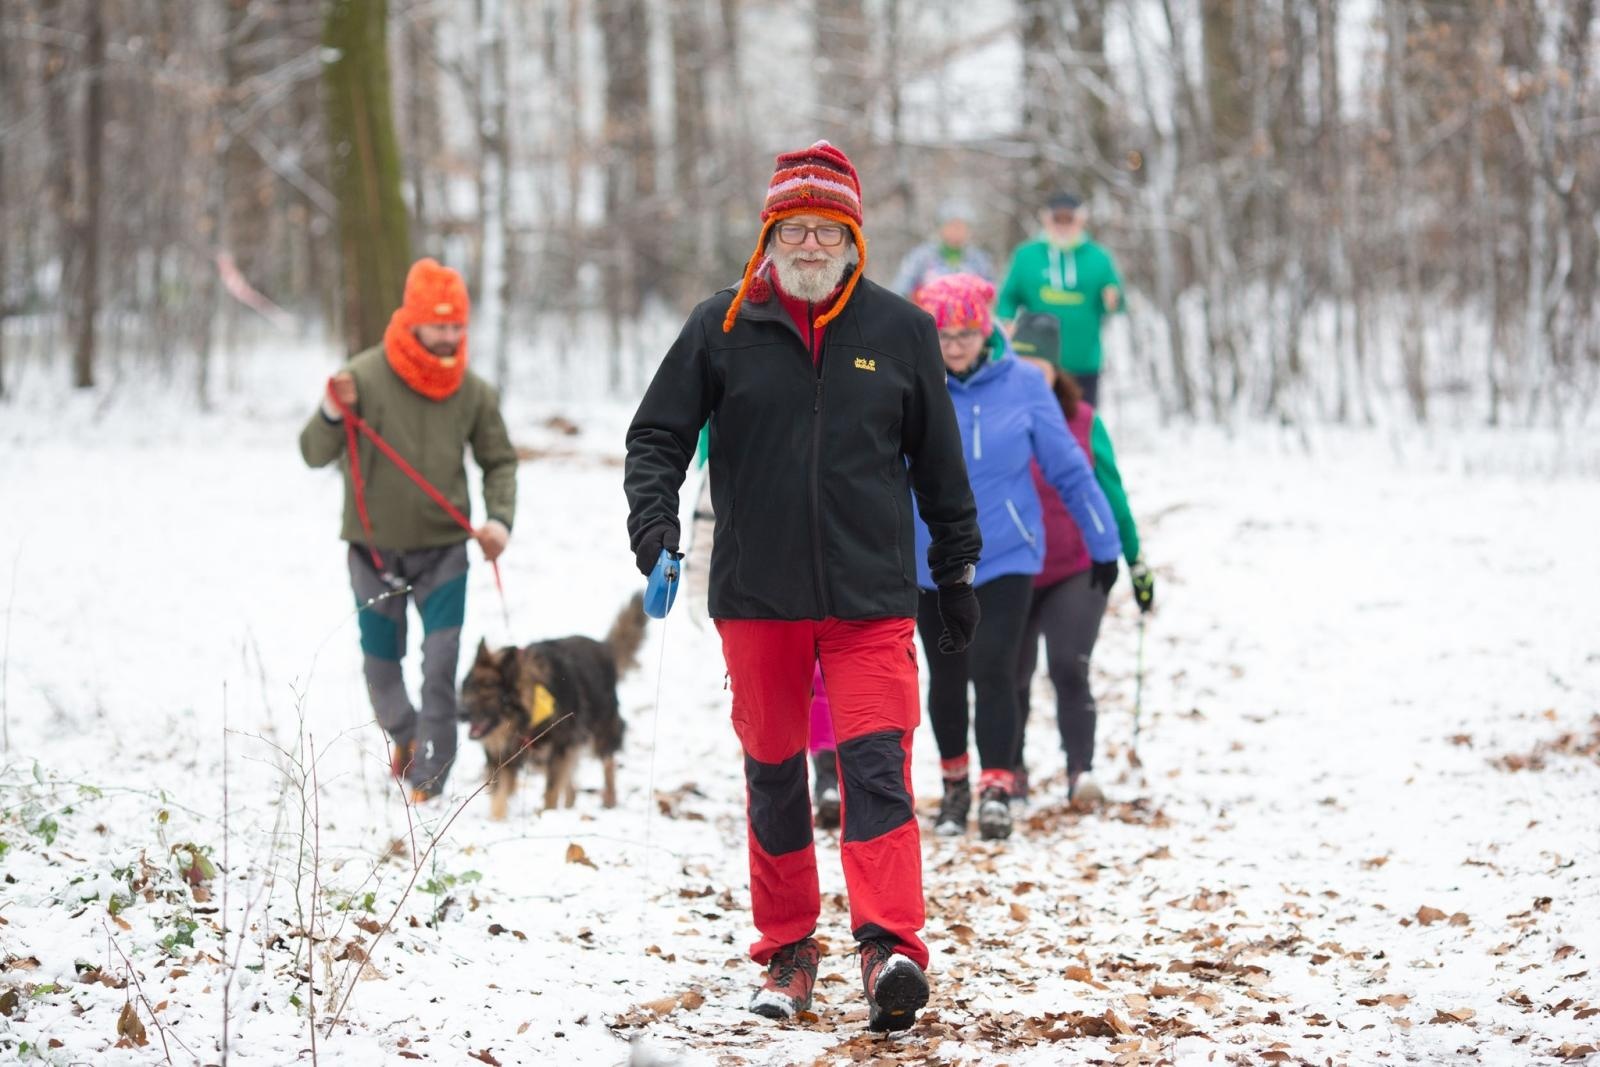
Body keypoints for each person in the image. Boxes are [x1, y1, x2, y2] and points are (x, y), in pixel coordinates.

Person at [623, 140, 981, 1032]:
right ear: (770, 235)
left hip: (870, 602)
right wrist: (654, 526)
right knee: (777, 777)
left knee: (876, 771)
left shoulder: (901, 331)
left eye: (829, 228)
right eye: (796, 228)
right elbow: (656, 437)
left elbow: (940, 464)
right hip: (758, 599)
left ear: (855, 238)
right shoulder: (723, 326)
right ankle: (788, 950)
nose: (812, 244)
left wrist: (958, 567)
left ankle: (888, 945)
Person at [908, 274, 1121, 843]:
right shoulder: (911, 379)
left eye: (965, 334)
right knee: (946, 676)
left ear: (987, 330)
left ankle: (997, 786)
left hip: (1006, 553)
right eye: (942, 336)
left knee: (995, 668)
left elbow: (1070, 469)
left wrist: (1105, 545)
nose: (953, 346)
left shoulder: (1025, 384)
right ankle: (955, 786)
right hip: (929, 557)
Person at [299, 258, 517, 802]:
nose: (448, 337)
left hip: (444, 552)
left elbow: (499, 461)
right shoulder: (362, 378)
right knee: (382, 663)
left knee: (441, 664)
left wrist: (498, 520)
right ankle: (406, 734)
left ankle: (432, 776)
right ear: (412, 321)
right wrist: (331, 411)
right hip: (373, 552)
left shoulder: (473, 392)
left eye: (456, 326)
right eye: (438, 325)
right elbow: (312, 453)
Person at [1012, 358, 1154, 808]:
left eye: (1040, 364)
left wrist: (1133, 560)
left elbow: (1110, 491)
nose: (1031, 374)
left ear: (1057, 368)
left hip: (1075, 566)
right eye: (1020, 362)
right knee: (1010, 673)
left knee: (1068, 666)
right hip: (1010, 568)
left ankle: (1080, 771)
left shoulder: (1083, 420)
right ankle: (1009, 772)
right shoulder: (993, 408)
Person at [996, 192, 1123, 405]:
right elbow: (1008, 297)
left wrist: (1113, 299)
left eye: (1069, 219)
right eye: (1057, 218)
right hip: (1037, 361)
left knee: (1081, 425)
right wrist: (1006, 321)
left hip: (1084, 361)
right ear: (1046, 219)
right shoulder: (1026, 256)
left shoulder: (1099, 257)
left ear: (1080, 220)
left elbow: (1115, 303)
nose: (1063, 225)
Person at [891, 198, 996, 298]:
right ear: (941, 227)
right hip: (927, 315)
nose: (956, 231)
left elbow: (991, 292)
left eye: (961, 226)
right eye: (952, 225)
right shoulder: (921, 257)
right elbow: (901, 289)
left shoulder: (979, 260)